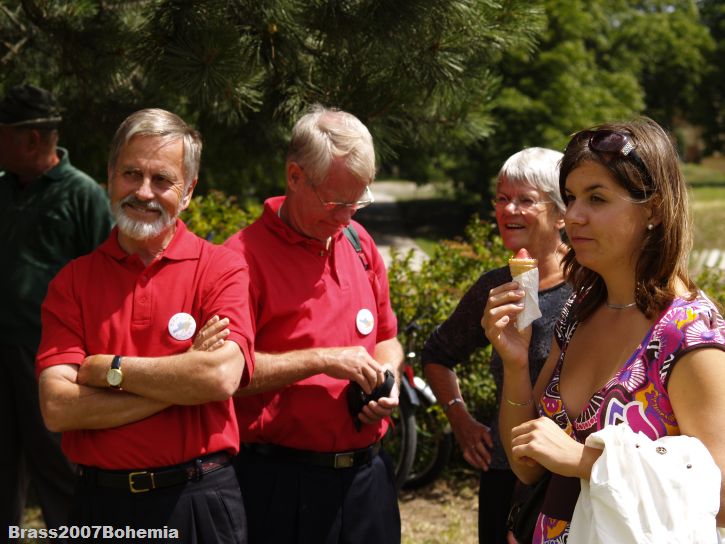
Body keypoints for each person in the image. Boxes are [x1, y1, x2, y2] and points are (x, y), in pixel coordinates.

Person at [484, 118, 725, 543]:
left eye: (596, 198)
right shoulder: (579, 311)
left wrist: (587, 462)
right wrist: (515, 364)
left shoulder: (689, 335)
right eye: (571, 197)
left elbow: (719, 497)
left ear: (653, 210)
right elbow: (528, 466)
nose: (573, 216)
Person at [35, 108, 254, 543]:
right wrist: (182, 380)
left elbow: (218, 377)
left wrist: (108, 369)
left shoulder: (221, 269)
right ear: (110, 176)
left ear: (188, 192)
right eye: (131, 173)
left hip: (198, 502)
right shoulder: (72, 282)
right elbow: (57, 408)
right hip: (101, 505)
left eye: (162, 179)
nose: (143, 191)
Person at [225, 104, 404, 544]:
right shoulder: (238, 259)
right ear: (294, 176)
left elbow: (387, 337)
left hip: (367, 479)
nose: (346, 218)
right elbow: (223, 375)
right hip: (280, 482)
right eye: (335, 202)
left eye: (357, 202)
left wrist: (388, 378)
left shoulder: (359, 243)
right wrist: (324, 360)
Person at [421, 148, 571, 543]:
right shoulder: (495, 287)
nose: (509, 210)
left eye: (525, 200)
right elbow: (437, 355)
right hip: (505, 473)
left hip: (569, 474)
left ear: (561, 214)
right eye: (502, 198)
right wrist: (461, 420)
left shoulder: (591, 285)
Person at [0, 83, 113, 531]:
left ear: (31, 139)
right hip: (1, 354)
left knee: (58, 469)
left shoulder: (81, 194)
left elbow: (108, 280)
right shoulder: (3, 189)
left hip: (50, 360)